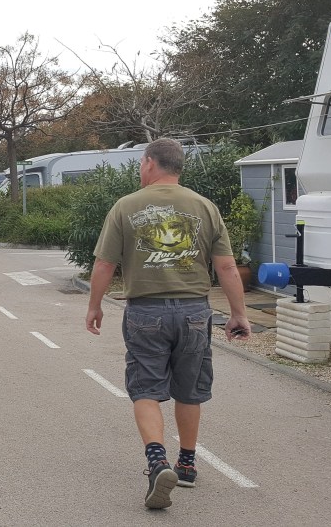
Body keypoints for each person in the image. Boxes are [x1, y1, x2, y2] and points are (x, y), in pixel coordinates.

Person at [84, 138, 251, 510]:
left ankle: (157, 460)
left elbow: (104, 264)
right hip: (195, 313)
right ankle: (187, 464)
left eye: (141, 164)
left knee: (145, 388)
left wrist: (95, 305)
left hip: (146, 312)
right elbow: (226, 266)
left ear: (148, 163)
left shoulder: (126, 206)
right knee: (189, 389)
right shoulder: (205, 206)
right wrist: (238, 313)